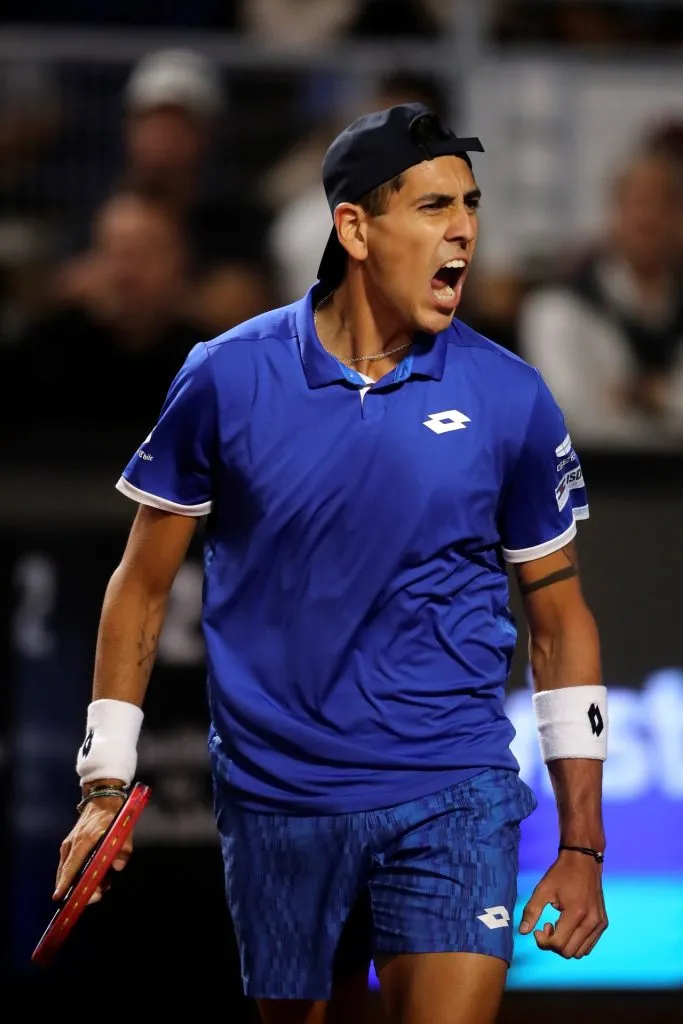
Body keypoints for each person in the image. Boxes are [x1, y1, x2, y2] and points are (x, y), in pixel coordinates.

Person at [54, 104, 609, 1024]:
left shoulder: (510, 397)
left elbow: (558, 620)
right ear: (354, 227)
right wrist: (103, 782)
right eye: (433, 206)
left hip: (452, 787)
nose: (464, 229)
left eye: (469, 204)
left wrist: (582, 845)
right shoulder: (226, 376)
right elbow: (141, 585)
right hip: (279, 801)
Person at [518, 147, 683, 449]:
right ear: (614, 212)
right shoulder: (559, 309)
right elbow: (573, 419)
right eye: (639, 204)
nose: (650, 220)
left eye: (667, 204)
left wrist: (641, 397)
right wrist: (658, 404)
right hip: (595, 483)